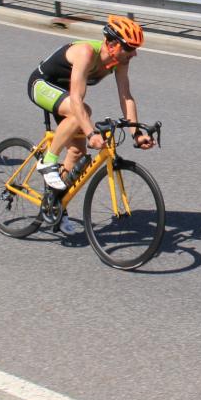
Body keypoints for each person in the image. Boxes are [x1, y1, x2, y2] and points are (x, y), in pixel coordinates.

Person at [27, 14, 154, 235]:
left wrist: (136, 133)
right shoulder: (86, 52)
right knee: (82, 112)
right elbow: (76, 100)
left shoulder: (119, 61)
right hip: (42, 85)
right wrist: (90, 133)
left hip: (65, 95)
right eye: (129, 48)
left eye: (135, 48)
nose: (134, 54)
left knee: (77, 153)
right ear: (112, 44)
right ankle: (47, 161)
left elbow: (126, 96)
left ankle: (56, 206)